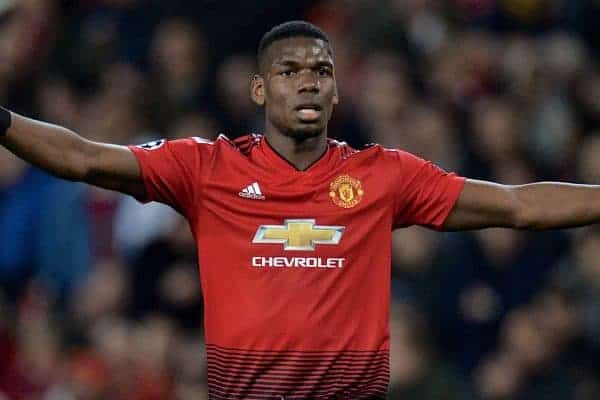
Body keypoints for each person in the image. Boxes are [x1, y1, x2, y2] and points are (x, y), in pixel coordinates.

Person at [0, 20, 599, 400]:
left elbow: (518, 205)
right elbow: (81, 157)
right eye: (289, 71)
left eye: (322, 72)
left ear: (338, 92)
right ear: (260, 90)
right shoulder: (207, 169)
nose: (308, 82)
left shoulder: (383, 176)